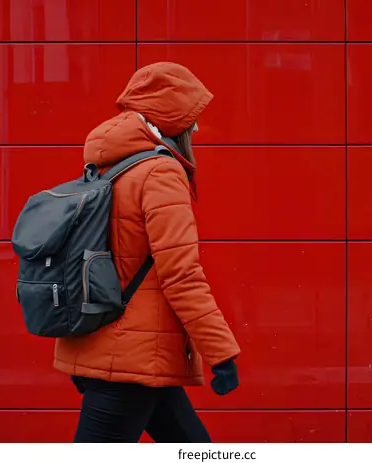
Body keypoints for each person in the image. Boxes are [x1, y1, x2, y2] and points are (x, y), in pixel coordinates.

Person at [53, 62, 241, 443]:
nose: (198, 128)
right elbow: (180, 273)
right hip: (128, 361)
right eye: (192, 118)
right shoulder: (159, 172)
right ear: (173, 119)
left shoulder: (105, 166)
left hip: (109, 345)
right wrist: (220, 350)